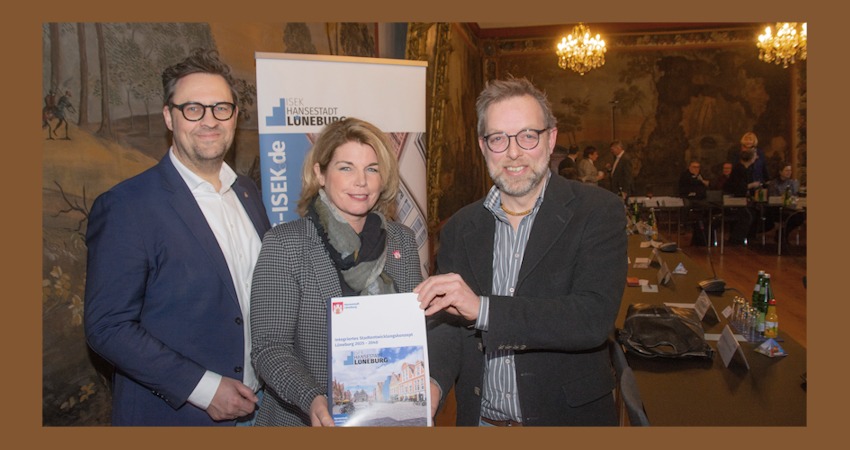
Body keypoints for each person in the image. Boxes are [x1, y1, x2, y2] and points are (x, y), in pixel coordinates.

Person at [415, 77, 627, 426]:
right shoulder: (459, 228)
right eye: (498, 138)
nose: (513, 152)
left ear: (551, 139)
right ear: (483, 147)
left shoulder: (598, 211)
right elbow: (450, 326)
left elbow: (592, 318)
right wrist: (434, 383)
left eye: (528, 135)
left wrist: (483, 309)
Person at [84, 48, 271, 426]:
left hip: (263, 410)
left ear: (235, 116)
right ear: (169, 117)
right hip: (179, 417)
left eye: (221, 108)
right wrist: (203, 389)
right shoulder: (127, 205)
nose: (209, 120)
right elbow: (107, 326)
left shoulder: (247, 192)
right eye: (193, 109)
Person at [250, 117, 423, 426]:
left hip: (387, 418)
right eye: (346, 168)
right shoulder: (286, 245)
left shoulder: (402, 242)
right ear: (320, 173)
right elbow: (269, 347)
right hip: (302, 422)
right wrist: (311, 397)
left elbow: (419, 331)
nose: (361, 181)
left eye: (372, 169)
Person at [723, 146, 760, 245]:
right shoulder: (739, 169)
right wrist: (753, 185)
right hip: (732, 199)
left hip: (739, 198)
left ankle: (748, 237)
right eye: (755, 156)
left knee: (753, 213)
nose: (757, 157)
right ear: (751, 158)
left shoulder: (747, 169)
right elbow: (739, 187)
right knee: (746, 216)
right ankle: (735, 239)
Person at [768, 163, 805, 245]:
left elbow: (795, 195)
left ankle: (782, 233)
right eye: (787, 170)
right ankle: (781, 235)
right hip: (777, 208)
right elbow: (773, 198)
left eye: (790, 170)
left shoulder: (792, 182)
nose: (789, 172)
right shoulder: (774, 184)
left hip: (791, 207)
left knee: (801, 216)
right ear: (780, 172)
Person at [678, 161, 710, 246]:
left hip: (700, 198)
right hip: (687, 197)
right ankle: (683, 225)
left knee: (707, 206)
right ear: (690, 167)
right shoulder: (684, 175)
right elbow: (682, 188)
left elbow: (708, 185)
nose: (696, 169)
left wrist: (701, 180)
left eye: (698, 167)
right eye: (694, 167)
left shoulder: (701, 176)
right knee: (686, 205)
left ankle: (704, 224)